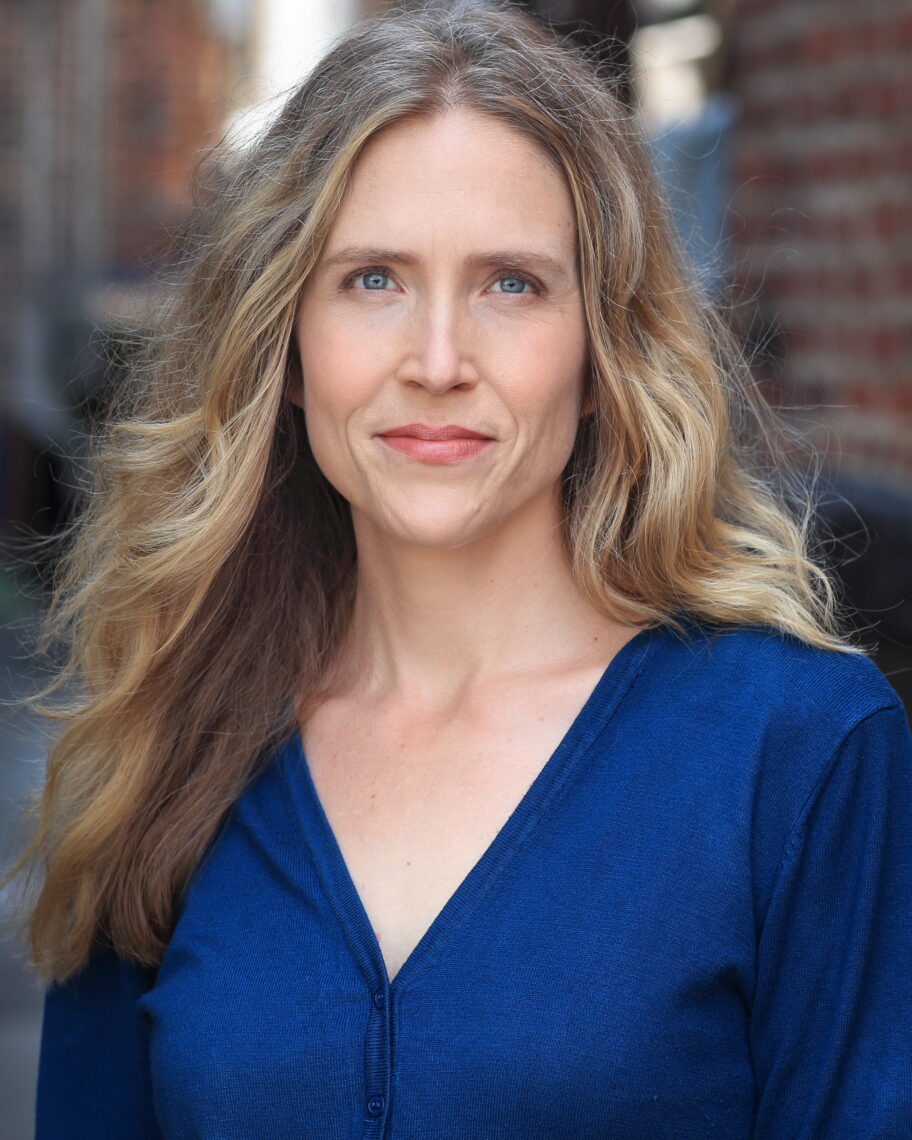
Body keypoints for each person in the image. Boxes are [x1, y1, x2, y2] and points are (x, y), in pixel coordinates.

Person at [5, 2, 910, 1137]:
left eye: (511, 284)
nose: (438, 362)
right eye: (373, 279)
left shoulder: (798, 755)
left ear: (599, 354)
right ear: (286, 344)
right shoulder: (168, 751)